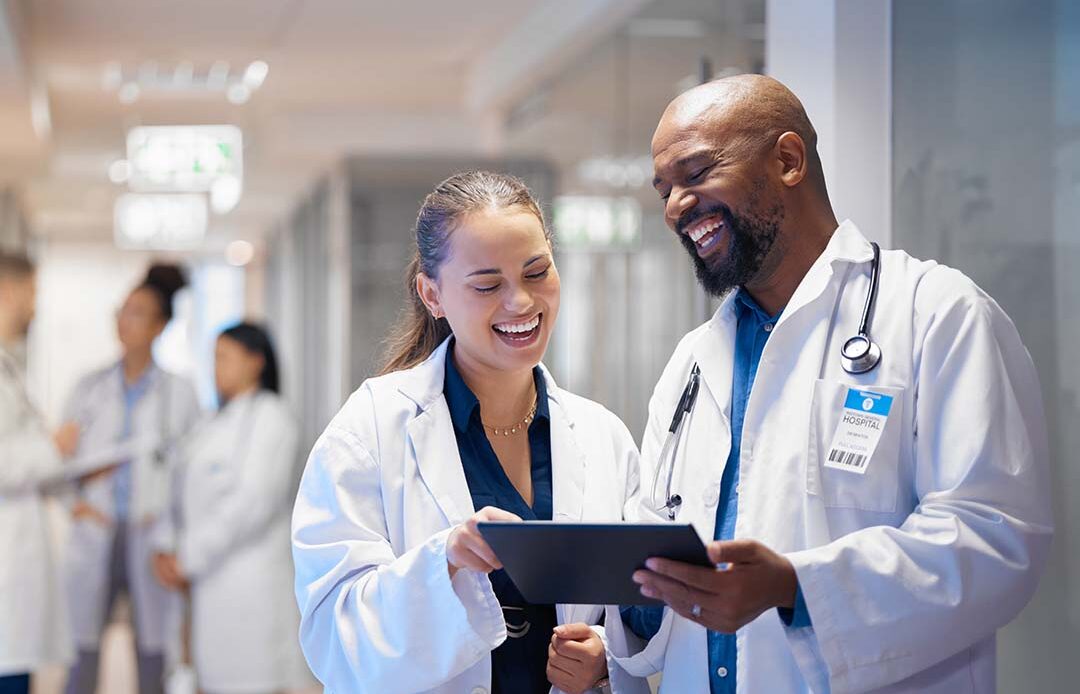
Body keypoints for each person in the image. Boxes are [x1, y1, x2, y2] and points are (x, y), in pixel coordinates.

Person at [604, 74, 1053, 693]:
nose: (676, 206)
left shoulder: (935, 314)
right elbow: (657, 540)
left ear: (788, 160)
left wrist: (795, 587)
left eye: (697, 173)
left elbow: (994, 538)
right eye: (665, 190)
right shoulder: (692, 362)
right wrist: (624, 617)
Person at [292, 171, 648, 694]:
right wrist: (445, 564)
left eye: (536, 272)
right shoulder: (369, 430)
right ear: (432, 294)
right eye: (487, 285)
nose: (521, 303)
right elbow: (333, 637)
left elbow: (638, 606)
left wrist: (608, 659)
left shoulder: (602, 436)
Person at [151, 322, 311, 694]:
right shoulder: (212, 422)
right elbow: (178, 492)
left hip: (246, 583)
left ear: (256, 362)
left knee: (248, 680)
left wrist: (188, 557)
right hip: (206, 581)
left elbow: (253, 502)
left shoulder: (272, 418)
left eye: (224, 357)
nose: (215, 368)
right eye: (213, 358)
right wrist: (167, 547)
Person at [62, 264, 201, 694]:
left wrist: (172, 529)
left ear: (160, 326)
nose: (124, 320)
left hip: (149, 531)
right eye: (122, 311)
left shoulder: (180, 393)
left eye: (138, 312)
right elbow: (59, 463)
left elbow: (189, 473)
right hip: (96, 528)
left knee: (152, 653)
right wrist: (75, 506)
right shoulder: (87, 387)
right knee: (80, 654)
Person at [0, 252, 81, 694]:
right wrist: (52, 447)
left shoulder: (8, 365)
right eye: (31, 294)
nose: (35, 307)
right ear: (7, 292)